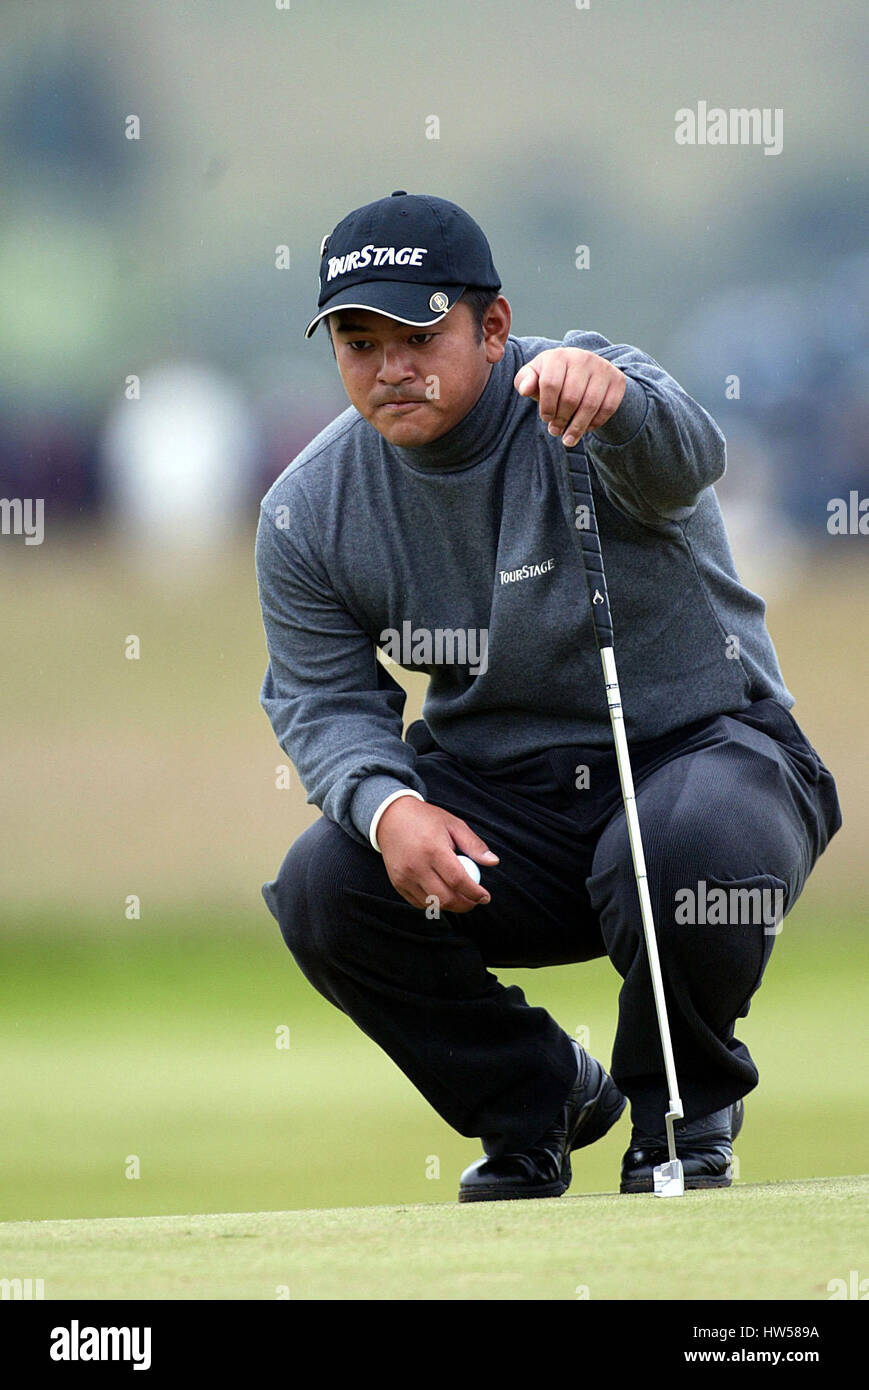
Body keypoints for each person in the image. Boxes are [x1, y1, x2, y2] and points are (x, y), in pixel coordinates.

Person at [255, 191, 841, 1201]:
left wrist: (621, 402)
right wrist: (388, 806)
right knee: (324, 881)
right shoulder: (308, 510)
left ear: (491, 328)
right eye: (358, 341)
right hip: (509, 806)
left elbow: (687, 461)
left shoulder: (586, 387)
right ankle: (537, 1102)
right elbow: (321, 700)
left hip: (708, 755)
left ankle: (679, 1110)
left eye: (418, 333)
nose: (390, 366)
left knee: (677, 845)